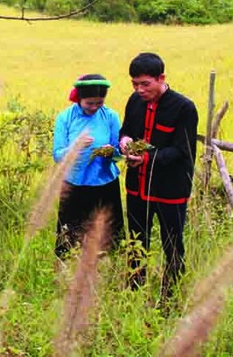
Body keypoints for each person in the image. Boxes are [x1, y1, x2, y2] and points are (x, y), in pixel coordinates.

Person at [119, 52, 198, 300]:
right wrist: (125, 141)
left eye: (145, 84)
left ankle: (170, 296)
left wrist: (147, 158)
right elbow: (126, 130)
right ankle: (134, 290)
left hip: (170, 189)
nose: (139, 89)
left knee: (172, 244)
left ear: (161, 78)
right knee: (136, 241)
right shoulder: (134, 101)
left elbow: (182, 151)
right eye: (135, 84)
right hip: (137, 186)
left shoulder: (183, 107)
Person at [53, 74, 124, 259]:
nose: (94, 108)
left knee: (109, 238)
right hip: (74, 185)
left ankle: (106, 272)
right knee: (69, 238)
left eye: (99, 103)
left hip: (105, 185)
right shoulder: (65, 118)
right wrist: (76, 146)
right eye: (89, 103)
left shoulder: (111, 116)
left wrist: (112, 152)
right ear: (79, 99)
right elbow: (58, 155)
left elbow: (119, 152)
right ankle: (67, 275)